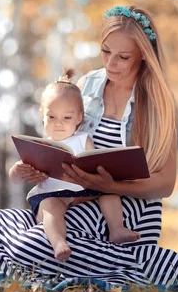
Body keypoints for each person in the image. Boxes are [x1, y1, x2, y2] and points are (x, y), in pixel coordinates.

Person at [0, 5, 178, 285]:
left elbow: (165, 185)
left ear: (144, 55)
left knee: (31, 246)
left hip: (127, 206)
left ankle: (158, 266)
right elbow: (67, 142)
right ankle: (126, 269)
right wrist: (41, 168)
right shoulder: (88, 85)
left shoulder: (155, 104)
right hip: (75, 196)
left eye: (123, 57)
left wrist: (110, 186)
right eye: (106, 51)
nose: (110, 64)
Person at [9, 69, 140, 262]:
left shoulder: (84, 139)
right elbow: (15, 178)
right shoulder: (40, 146)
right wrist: (17, 171)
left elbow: (93, 161)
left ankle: (116, 228)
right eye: (52, 117)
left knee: (109, 191)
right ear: (42, 115)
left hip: (82, 192)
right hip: (52, 194)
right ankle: (58, 242)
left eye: (67, 118)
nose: (59, 124)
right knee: (50, 208)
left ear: (79, 118)